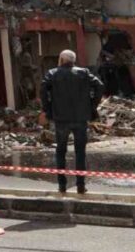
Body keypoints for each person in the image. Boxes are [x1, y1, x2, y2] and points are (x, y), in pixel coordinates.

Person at [41, 49, 104, 194]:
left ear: (62, 60)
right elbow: (99, 86)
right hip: (80, 118)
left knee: (60, 151)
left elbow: (43, 89)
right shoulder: (84, 72)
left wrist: (48, 109)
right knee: (80, 152)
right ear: (73, 60)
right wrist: (92, 105)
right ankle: (81, 185)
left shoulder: (52, 73)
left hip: (61, 119)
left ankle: (62, 185)